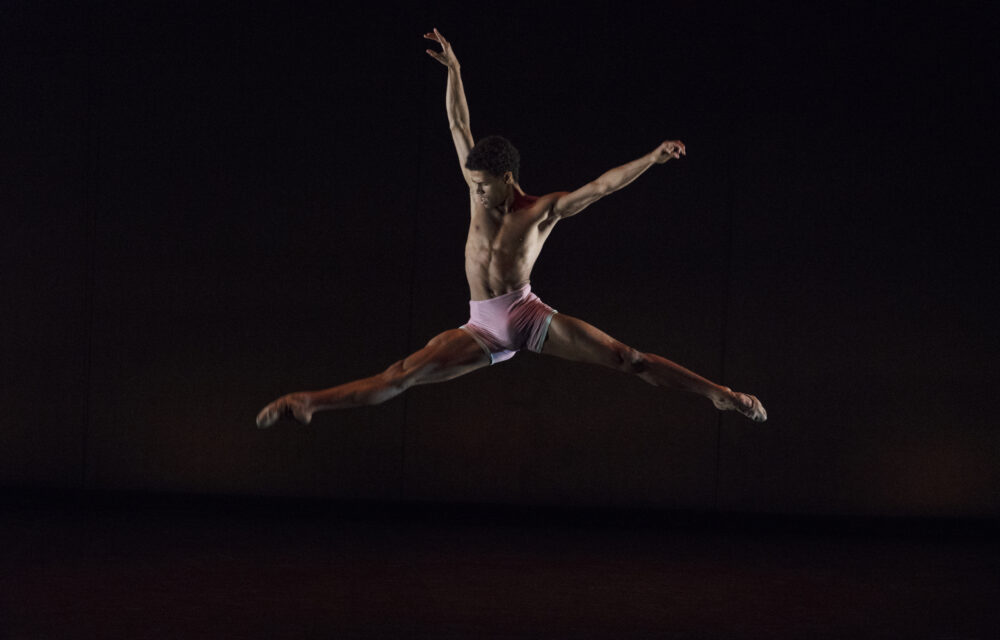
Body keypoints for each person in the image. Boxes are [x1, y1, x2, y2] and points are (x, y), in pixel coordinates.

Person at [255, 28, 766, 428]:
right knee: (400, 376)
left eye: (481, 185)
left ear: (506, 178)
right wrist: (453, 69)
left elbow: (602, 187)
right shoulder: (477, 192)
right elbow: (459, 125)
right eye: (470, 184)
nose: (473, 192)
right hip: (482, 325)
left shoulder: (542, 209)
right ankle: (307, 403)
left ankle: (720, 396)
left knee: (629, 359)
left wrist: (651, 159)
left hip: (526, 315)